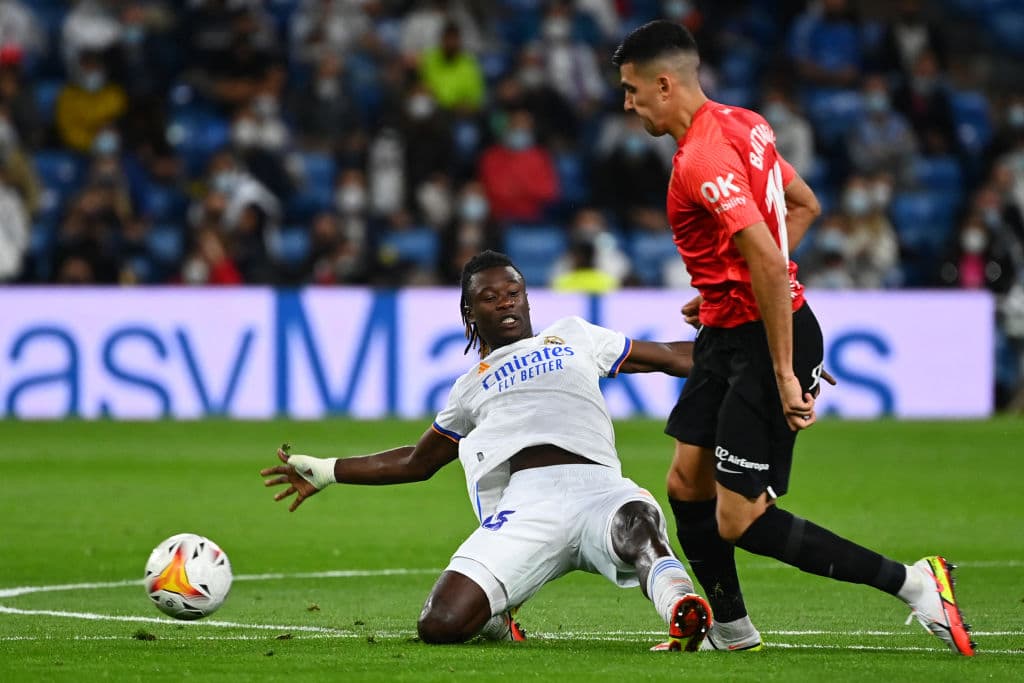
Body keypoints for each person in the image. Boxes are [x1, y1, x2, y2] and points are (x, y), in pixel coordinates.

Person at [612, 20, 975, 656]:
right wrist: (730, 283)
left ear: (663, 84)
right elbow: (802, 205)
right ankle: (732, 630)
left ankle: (916, 584)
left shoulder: (700, 158)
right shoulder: (746, 125)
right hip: (729, 330)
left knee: (738, 516)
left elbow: (773, 263)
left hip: (763, 341)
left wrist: (783, 371)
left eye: (631, 89)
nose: (627, 103)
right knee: (684, 483)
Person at [260, 250, 713, 650]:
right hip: (526, 506)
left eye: (513, 291)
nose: (505, 302)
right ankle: (495, 619)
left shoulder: (574, 335)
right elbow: (418, 462)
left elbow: (672, 357)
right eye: (489, 297)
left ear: (527, 298)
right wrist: (328, 469)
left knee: (638, 525)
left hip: (599, 489)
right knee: (439, 625)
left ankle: (681, 606)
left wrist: (749, 356)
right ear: (469, 312)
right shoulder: (469, 387)